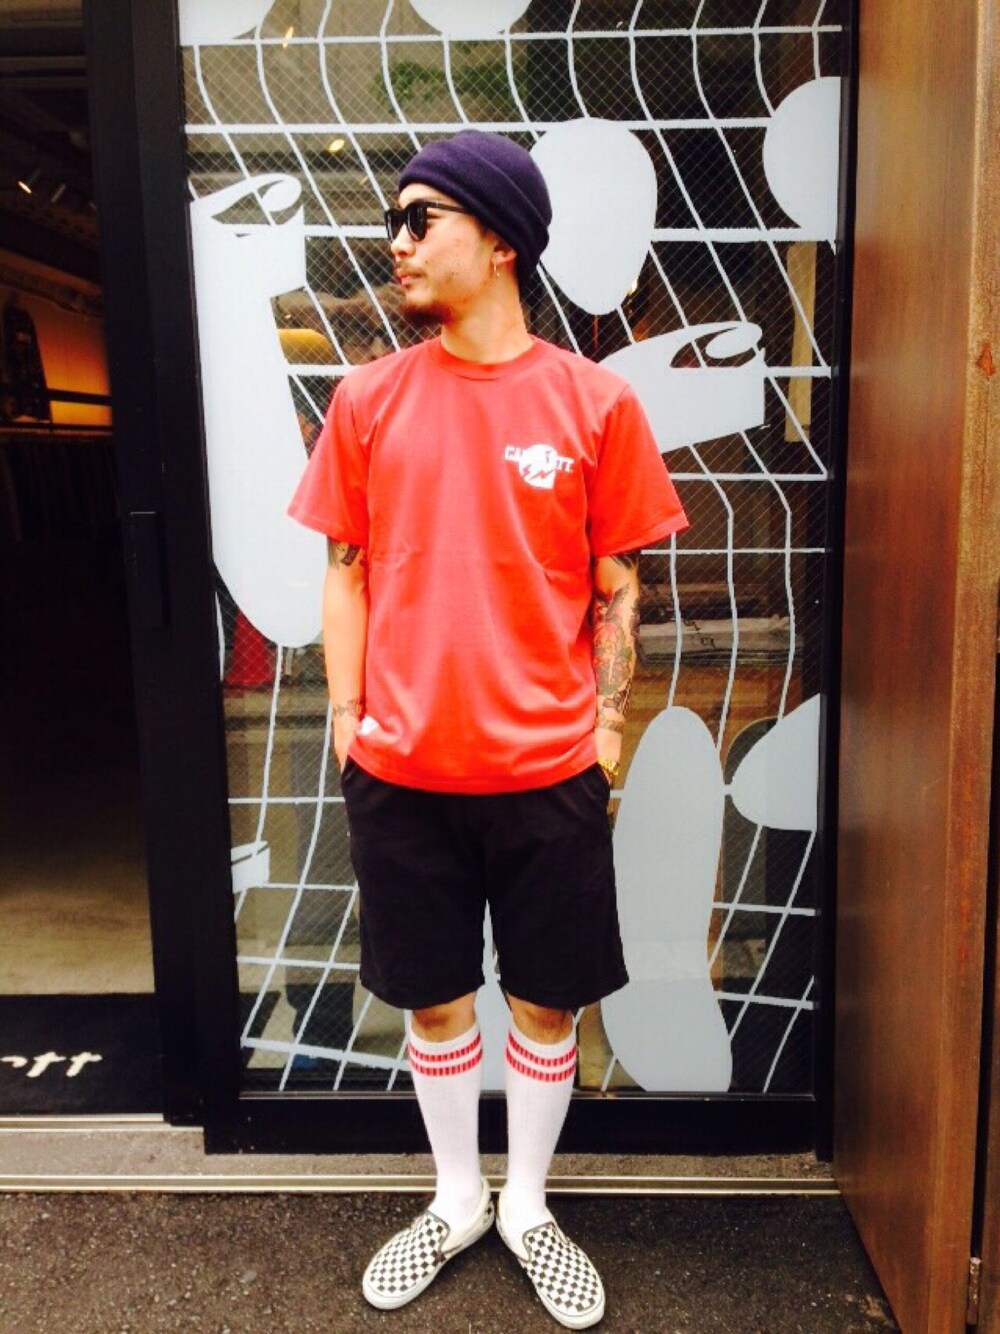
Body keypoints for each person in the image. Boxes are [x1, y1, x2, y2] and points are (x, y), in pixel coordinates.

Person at [289, 129, 688, 1329]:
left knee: (550, 1002)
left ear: (501, 238)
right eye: (393, 222)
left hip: (546, 768)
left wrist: (603, 729)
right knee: (433, 1000)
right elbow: (344, 570)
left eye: (421, 219)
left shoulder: (593, 401)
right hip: (402, 767)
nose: (397, 242)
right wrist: (351, 717)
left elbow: (616, 583)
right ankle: (457, 1194)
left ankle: (527, 1202)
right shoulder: (367, 399)